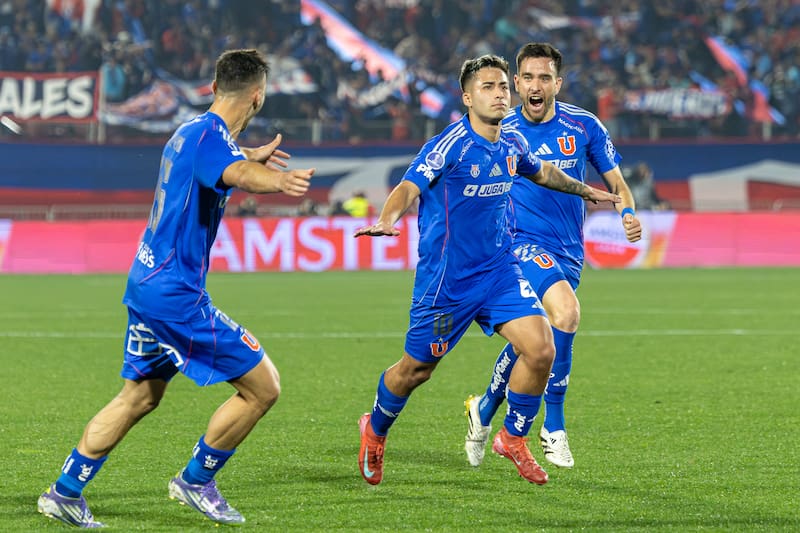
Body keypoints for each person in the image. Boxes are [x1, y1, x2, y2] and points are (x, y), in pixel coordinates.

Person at [37, 49, 315, 528]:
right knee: (262, 387)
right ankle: (195, 481)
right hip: (176, 296)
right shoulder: (215, 142)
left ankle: (65, 491)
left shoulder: (190, 132)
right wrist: (275, 179)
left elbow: (219, 163)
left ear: (211, 88)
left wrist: (249, 154)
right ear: (257, 96)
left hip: (145, 281)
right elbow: (234, 174)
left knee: (139, 396)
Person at [354, 54, 620, 486]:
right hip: (448, 282)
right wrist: (388, 219)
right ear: (466, 97)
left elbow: (544, 172)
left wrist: (588, 191)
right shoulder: (449, 146)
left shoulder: (512, 143)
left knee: (542, 348)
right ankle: (376, 429)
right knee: (415, 371)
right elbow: (408, 186)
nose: (499, 95)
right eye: (487, 88)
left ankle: (513, 437)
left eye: (502, 87)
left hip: (498, 272)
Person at [463, 42, 642, 471]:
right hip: (517, 245)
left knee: (536, 341)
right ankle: (553, 426)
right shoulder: (498, 127)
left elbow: (616, 181)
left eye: (545, 77)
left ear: (557, 83)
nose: (535, 85)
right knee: (566, 314)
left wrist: (629, 212)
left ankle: (485, 407)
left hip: (568, 250)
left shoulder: (583, 125)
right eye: (527, 77)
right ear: (517, 83)